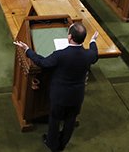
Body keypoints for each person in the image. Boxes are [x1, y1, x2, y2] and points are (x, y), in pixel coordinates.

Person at [13, 23, 98, 152]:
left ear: (69, 37)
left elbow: (42, 62)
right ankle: (62, 143)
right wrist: (93, 41)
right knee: (70, 119)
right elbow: (94, 53)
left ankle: (52, 143)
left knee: (55, 119)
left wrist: (27, 50)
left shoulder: (60, 55)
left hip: (60, 96)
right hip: (77, 96)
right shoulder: (88, 55)